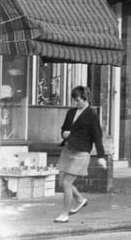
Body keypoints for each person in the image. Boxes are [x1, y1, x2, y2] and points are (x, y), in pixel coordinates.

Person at [54, 86, 107, 223]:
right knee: (61, 182)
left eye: (77, 100)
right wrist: (64, 133)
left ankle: (64, 214)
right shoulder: (71, 112)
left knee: (66, 183)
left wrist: (101, 156)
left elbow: (97, 137)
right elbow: (64, 128)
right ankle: (80, 199)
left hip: (81, 153)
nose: (75, 103)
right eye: (74, 100)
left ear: (86, 98)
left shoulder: (92, 115)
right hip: (68, 150)